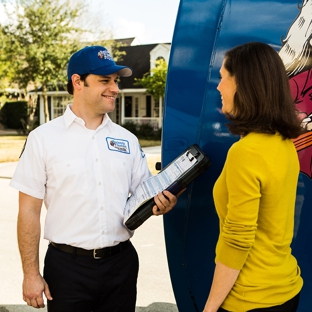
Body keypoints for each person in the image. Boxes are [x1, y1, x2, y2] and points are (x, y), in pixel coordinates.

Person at [10, 45, 180, 312]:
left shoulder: (127, 140)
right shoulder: (43, 139)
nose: (115, 88)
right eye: (104, 81)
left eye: (115, 81)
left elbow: (143, 195)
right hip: (67, 270)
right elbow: (28, 211)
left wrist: (161, 203)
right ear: (78, 82)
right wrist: (31, 274)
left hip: (121, 265)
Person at [203, 42, 304, 312]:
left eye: (223, 78)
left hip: (251, 299)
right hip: (286, 287)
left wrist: (211, 307)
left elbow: (237, 239)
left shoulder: (245, 152)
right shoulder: (283, 143)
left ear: (243, 85)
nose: (218, 87)